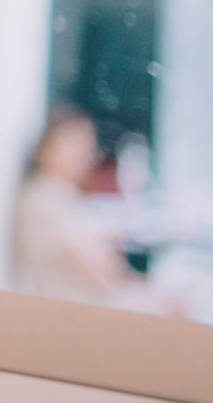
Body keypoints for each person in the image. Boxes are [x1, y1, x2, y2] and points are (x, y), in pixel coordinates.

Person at [12, 105, 142, 305]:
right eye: (72, 143)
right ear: (45, 146)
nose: (81, 153)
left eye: (86, 144)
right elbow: (96, 273)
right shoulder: (43, 197)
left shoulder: (63, 195)